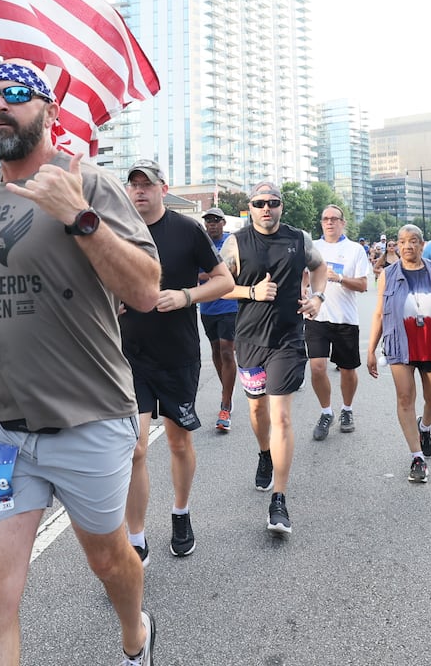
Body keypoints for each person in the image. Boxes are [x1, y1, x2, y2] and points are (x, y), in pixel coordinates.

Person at [0, 61, 162, 666]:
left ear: (50, 113)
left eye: (16, 96)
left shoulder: (87, 182)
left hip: (89, 419)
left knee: (108, 563)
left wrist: (78, 217)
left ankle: (136, 631)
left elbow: (145, 291)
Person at [120, 159, 233, 562]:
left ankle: (181, 512)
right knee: (134, 448)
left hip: (178, 355)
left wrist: (185, 296)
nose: (139, 191)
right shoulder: (117, 232)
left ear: (162, 189)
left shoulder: (187, 230)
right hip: (129, 356)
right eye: (133, 184)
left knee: (178, 441)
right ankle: (135, 537)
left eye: (146, 184)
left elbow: (225, 281)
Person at [218, 181, 327, 536]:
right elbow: (217, 284)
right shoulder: (236, 242)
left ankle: (279, 499)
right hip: (249, 339)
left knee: (280, 415)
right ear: (249, 207)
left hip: (288, 339)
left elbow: (320, 268)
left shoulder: (298, 239)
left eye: (273, 202)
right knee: (257, 410)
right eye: (259, 202)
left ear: (282, 206)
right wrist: (251, 291)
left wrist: (318, 298)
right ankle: (264, 453)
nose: (267, 208)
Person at [367, 225, 431, 483]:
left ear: (422, 245)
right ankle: (417, 457)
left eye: (413, 241)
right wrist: (370, 349)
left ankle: (424, 426)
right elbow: (378, 313)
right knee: (404, 398)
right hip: (400, 343)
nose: (407, 246)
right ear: (397, 246)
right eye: (402, 242)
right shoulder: (387, 274)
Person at [306, 204, 369, 440]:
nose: (329, 222)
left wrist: (339, 278)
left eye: (334, 219)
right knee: (317, 367)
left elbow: (363, 285)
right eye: (325, 219)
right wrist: (304, 292)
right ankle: (326, 411)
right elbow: (303, 276)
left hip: (345, 319)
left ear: (343, 223)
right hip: (317, 317)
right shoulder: (312, 247)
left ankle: (347, 409)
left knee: (347, 370)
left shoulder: (355, 250)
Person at [198, 207, 239, 432]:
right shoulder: (200, 242)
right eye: (208, 221)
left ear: (223, 223)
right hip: (207, 307)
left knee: (226, 351)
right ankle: (227, 390)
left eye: (215, 221)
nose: (212, 224)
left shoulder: (230, 242)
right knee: (215, 352)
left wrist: (207, 275)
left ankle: (225, 404)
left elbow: (230, 270)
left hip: (228, 304)